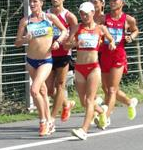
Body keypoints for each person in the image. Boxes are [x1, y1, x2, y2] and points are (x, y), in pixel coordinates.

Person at [64, 2, 116, 140]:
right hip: (80, 68)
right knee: (83, 101)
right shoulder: (77, 28)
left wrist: (111, 43)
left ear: (93, 13)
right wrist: (75, 44)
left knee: (89, 100)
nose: (84, 16)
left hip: (93, 68)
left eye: (86, 13)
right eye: (81, 13)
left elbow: (111, 40)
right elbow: (65, 45)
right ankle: (102, 112)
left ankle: (84, 130)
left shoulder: (101, 29)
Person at [15, 0, 67, 136]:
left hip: (46, 61)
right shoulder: (25, 21)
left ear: (41, 3)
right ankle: (50, 122)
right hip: (31, 61)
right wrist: (25, 39)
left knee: (34, 89)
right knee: (42, 92)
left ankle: (43, 121)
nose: (32, 4)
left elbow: (64, 30)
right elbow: (17, 42)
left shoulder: (50, 18)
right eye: (31, 2)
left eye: (35, 1)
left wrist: (58, 42)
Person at [99, 0, 139, 129]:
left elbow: (135, 30)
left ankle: (106, 117)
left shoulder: (128, 19)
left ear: (122, 2)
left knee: (112, 89)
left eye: (115, 0)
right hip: (105, 55)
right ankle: (129, 102)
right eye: (110, 0)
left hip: (118, 55)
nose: (112, 2)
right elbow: (95, 29)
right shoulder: (103, 18)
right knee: (106, 89)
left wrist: (131, 37)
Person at [46, 0, 78, 125]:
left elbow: (75, 34)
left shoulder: (69, 16)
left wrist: (69, 42)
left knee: (60, 84)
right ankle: (66, 104)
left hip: (63, 54)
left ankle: (52, 118)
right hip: (48, 54)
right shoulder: (46, 14)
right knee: (49, 89)